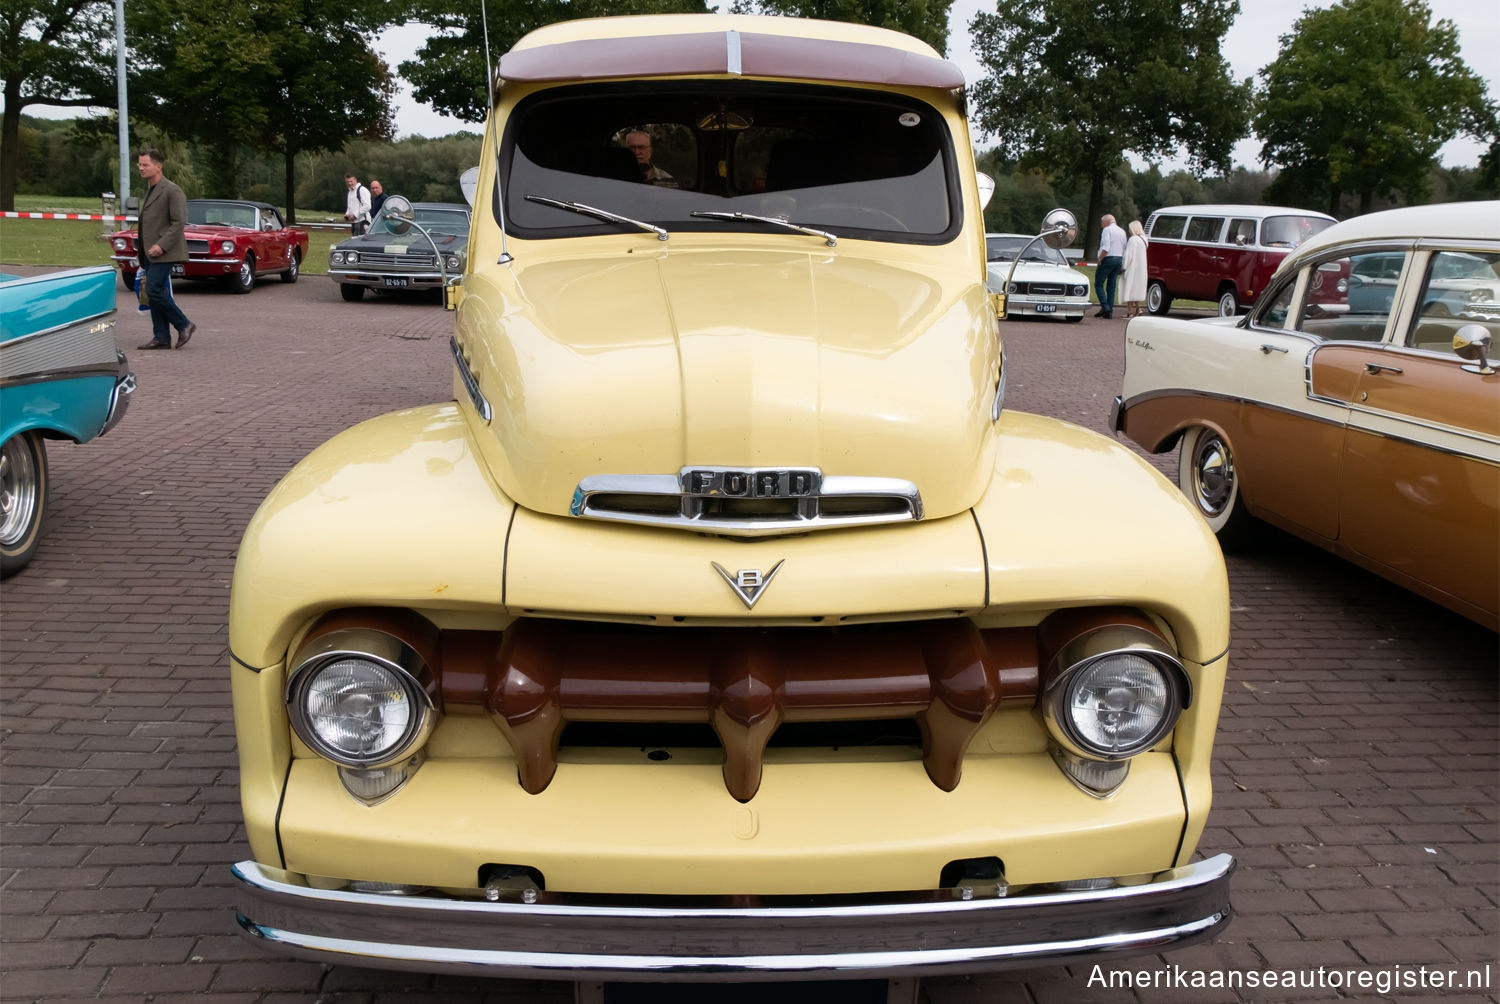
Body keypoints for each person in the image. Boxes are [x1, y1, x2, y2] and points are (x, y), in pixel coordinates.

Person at [133, 148, 195, 350]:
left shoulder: (172, 190)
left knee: (152, 289)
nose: (140, 168)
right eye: (139, 164)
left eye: (145, 164)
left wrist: (161, 245)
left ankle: (184, 323)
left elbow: (178, 223)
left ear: (158, 166)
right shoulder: (151, 189)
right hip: (149, 252)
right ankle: (161, 336)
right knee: (154, 291)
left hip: (164, 251)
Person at [1093, 214, 1127, 318]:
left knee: (1098, 283)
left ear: (1107, 221)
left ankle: (1105, 306)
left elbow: (1106, 247)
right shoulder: (1122, 231)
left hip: (1108, 258)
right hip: (1119, 259)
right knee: (1111, 286)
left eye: (1102, 223)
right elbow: (1124, 247)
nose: (1102, 226)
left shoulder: (1107, 230)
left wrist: (1100, 259)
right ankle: (1110, 311)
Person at [1121, 220, 1149, 318]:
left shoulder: (1133, 239)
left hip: (1132, 268)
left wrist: (1123, 267)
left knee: (1130, 289)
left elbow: (1128, 255)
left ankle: (1130, 311)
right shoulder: (1144, 240)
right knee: (1137, 289)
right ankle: (1138, 308)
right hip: (1141, 268)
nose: (1129, 230)